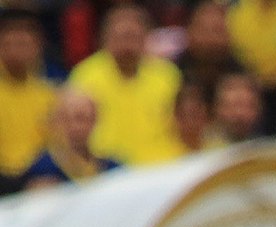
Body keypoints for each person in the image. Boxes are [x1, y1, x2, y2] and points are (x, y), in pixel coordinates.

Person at [67, 2, 182, 167]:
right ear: (104, 38)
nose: (127, 44)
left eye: (133, 36)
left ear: (145, 38)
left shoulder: (167, 75)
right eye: (121, 37)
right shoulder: (85, 76)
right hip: (106, 169)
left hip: (162, 167)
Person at [0, 6, 55, 184]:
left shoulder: (50, 94)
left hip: (41, 176)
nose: (16, 50)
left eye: (23, 44)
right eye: (9, 44)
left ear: (37, 47)